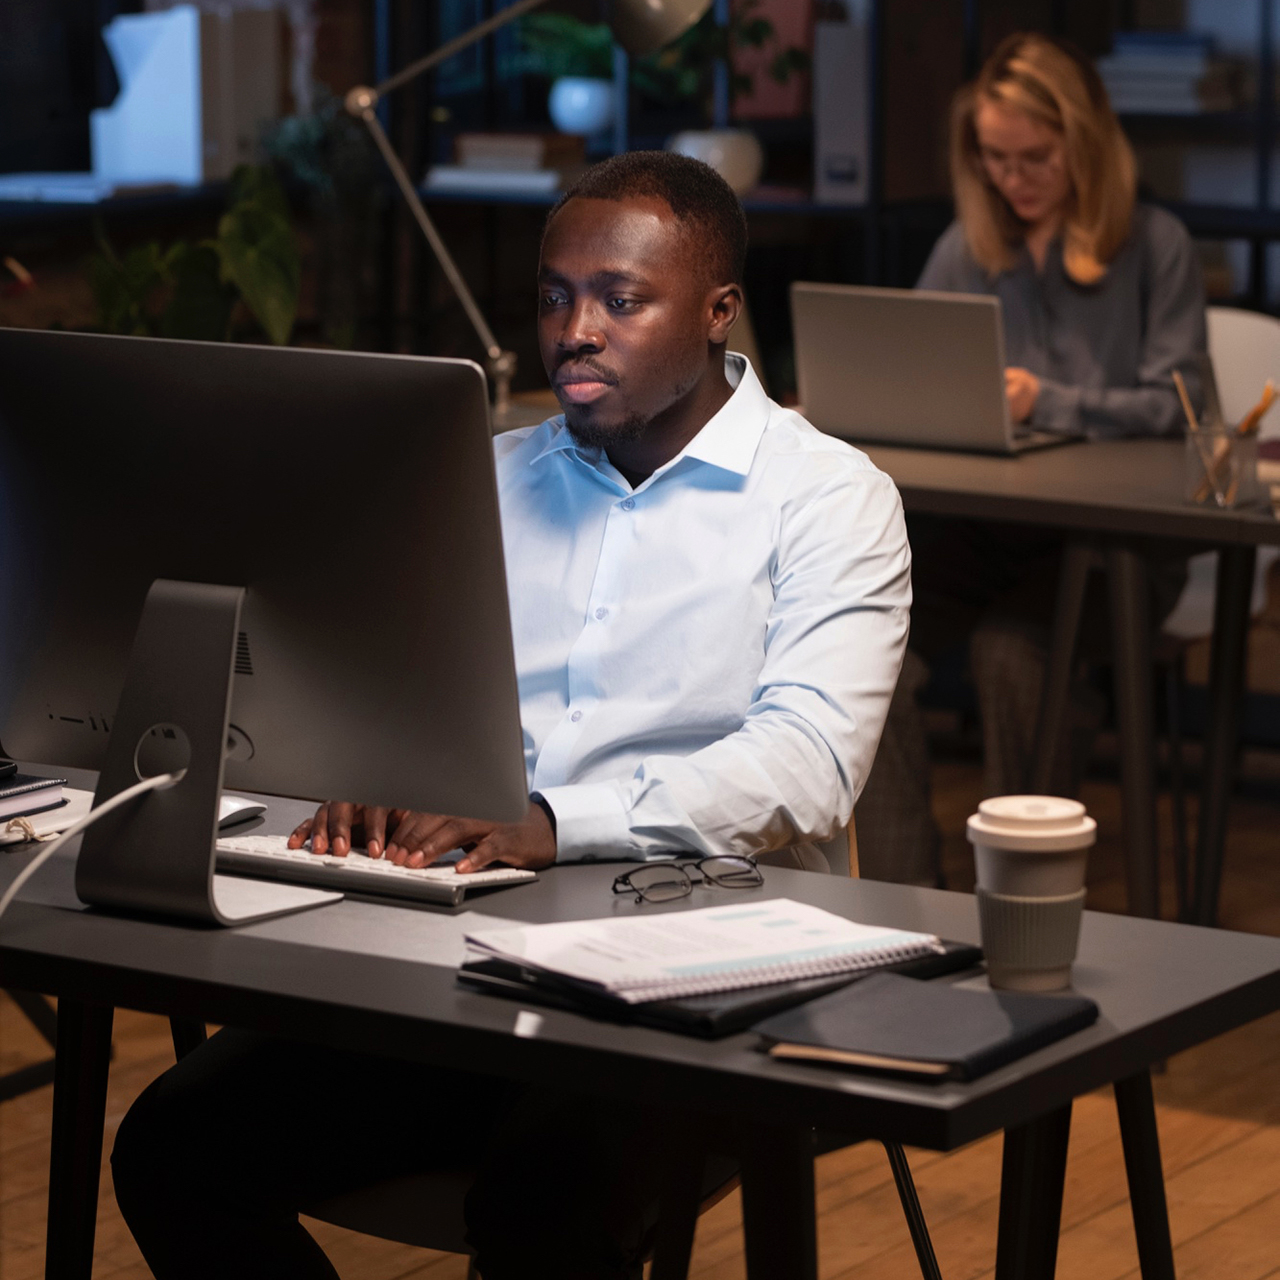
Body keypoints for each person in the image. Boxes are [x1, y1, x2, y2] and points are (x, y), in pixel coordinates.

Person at [110, 151, 911, 1280]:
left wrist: (548, 815)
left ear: (717, 310)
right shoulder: (481, 474)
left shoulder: (828, 498)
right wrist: (370, 762)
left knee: (546, 1202)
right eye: (552, 294)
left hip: (700, 978)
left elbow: (808, 762)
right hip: (451, 951)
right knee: (172, 1147)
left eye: (619, 300)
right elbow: (390, 691)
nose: (574, 327)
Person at [855, 33, 1206, 883]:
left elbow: (1182, 408)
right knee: (867, 648)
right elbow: (909, 379)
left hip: (1111, 548)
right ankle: (902, 897)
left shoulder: (1155, 244)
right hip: (985, 533)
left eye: (1035, 158)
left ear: (1084, 142)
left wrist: (1045, 400)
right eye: (995, 160)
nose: (1014, 180)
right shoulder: (967, 248)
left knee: (1014, 655)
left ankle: (1018, 889)